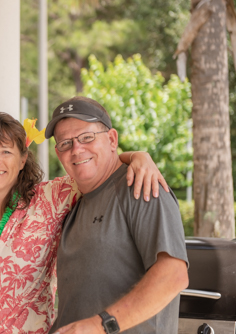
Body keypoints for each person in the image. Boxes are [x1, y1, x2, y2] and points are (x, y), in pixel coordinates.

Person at [0, 112, 166, 334]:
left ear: (23, 159)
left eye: (6, 151)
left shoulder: (50, 200)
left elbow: (98, 168)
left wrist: (138, 156)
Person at [46, 96, 189, 334]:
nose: (76, 149)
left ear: (112, 139)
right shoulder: (71, 203)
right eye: (65, 143)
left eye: (87, 137)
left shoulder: (142, 186)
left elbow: (173, 275)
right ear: (58, 153)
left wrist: (100, 325)